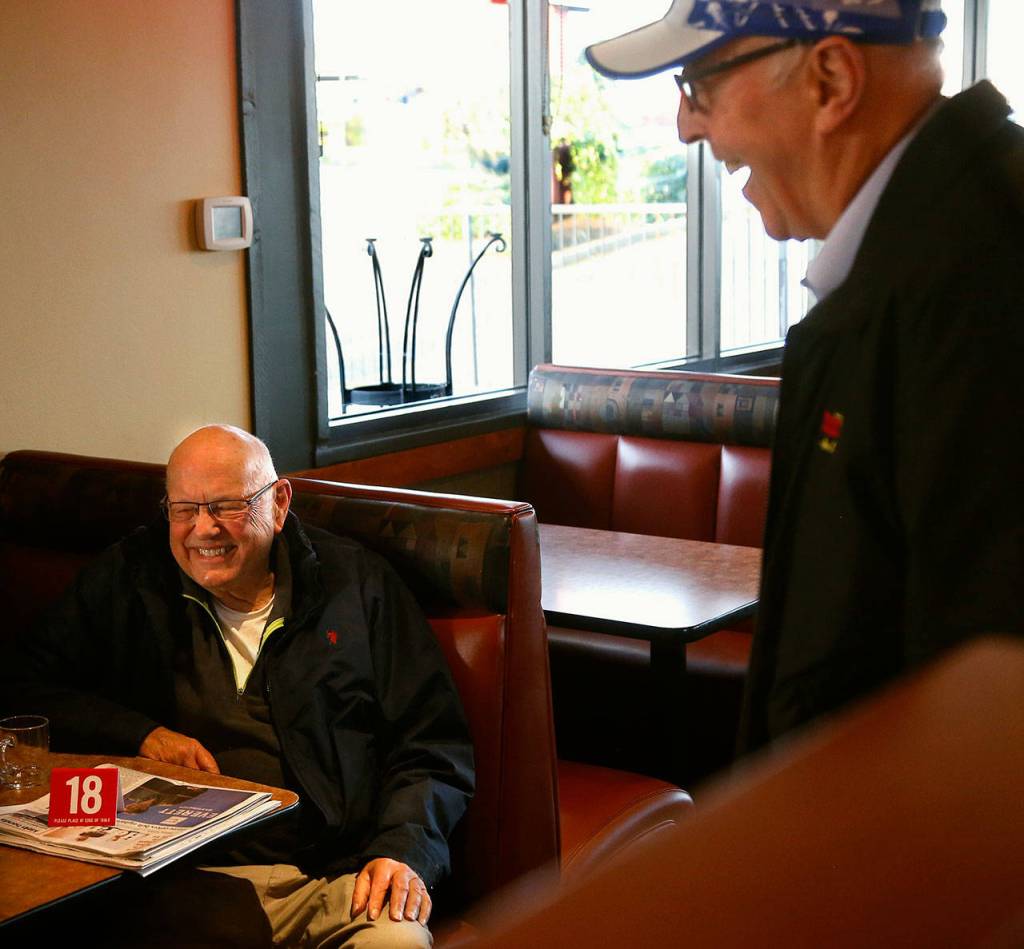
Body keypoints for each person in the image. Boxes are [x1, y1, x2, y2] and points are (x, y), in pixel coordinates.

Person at [587, 1, 1024, 749]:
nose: (688, 127)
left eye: (701, 84)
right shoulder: (918, 264)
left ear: (830, 79)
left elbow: (985, 715)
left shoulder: (980, 288)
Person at [4, 425, 474, 947]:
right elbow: (25, 688)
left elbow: (432, 746)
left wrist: (403, 849)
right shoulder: (130, 579)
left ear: (278, 503)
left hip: (338, 877)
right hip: (180, 884)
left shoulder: (357, 586)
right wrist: (141, 734)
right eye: (184, 509)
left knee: (396, 944)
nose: (203, 529)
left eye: (227, 506)